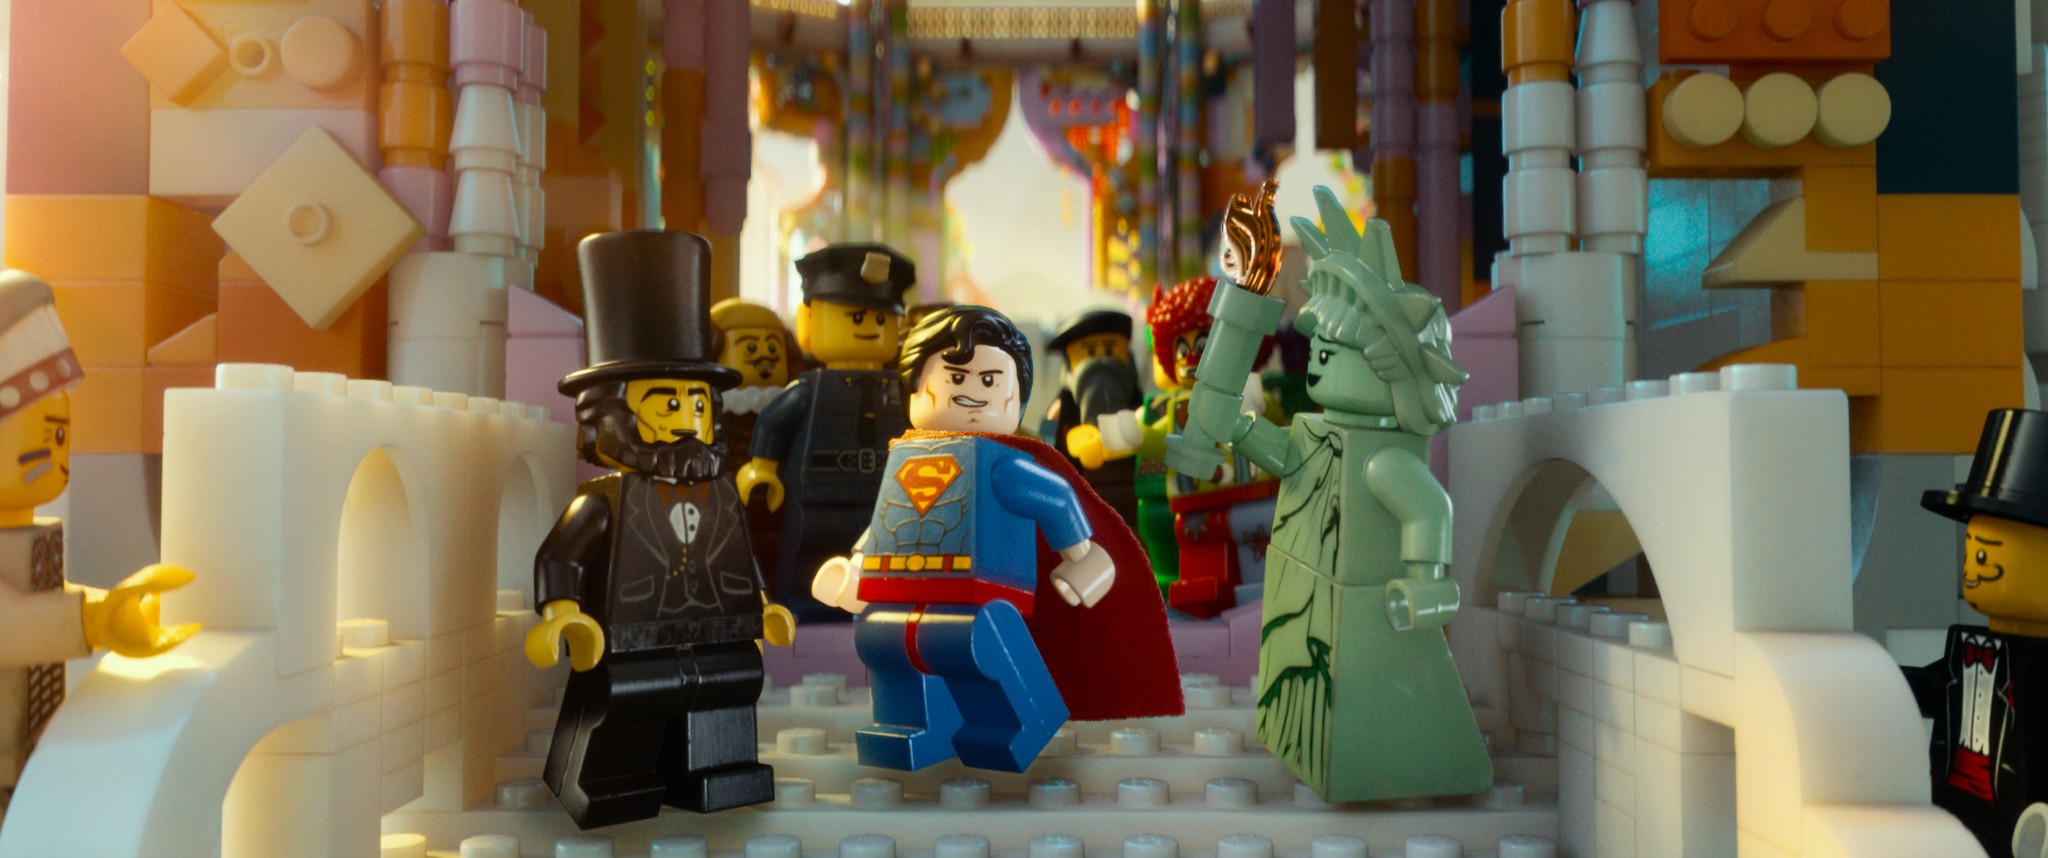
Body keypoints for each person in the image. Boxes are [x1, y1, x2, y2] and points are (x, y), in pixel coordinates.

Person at [811, 305, 1182, 772]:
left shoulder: (1000, 464)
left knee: (975, 640)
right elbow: (889, 521)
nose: (970, 391)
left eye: (989, 380)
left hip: (982, 593)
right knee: (881, 637)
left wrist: (1082, 553)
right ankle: (912, 726)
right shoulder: (907, 458)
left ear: (1016, 399)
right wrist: (857, 568)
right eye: (955, 377)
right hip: (902, 589)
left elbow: (1054, 498)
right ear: (914, 388)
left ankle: (1017, 721)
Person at [525, 230, 792, 829]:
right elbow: (562, 555)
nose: (688, 419)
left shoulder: (720, 492)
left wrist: (763, 604)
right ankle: (609, 780)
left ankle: (718, 771)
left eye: (697, 404)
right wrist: (562, 612)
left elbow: (736, 554)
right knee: (629, 697)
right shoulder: (604, 500)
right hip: (631, 635)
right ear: (612, 413)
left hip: (720, 630)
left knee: (730, 685)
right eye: (667, 404)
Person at [1908, 408, 2048, 858]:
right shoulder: (1970, 647)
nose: (1971, 569)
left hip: (2027, 830)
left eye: (1985, 556)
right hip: (1953, 813)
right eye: (1971, 552)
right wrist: (1882, 684)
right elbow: (1939, 687)